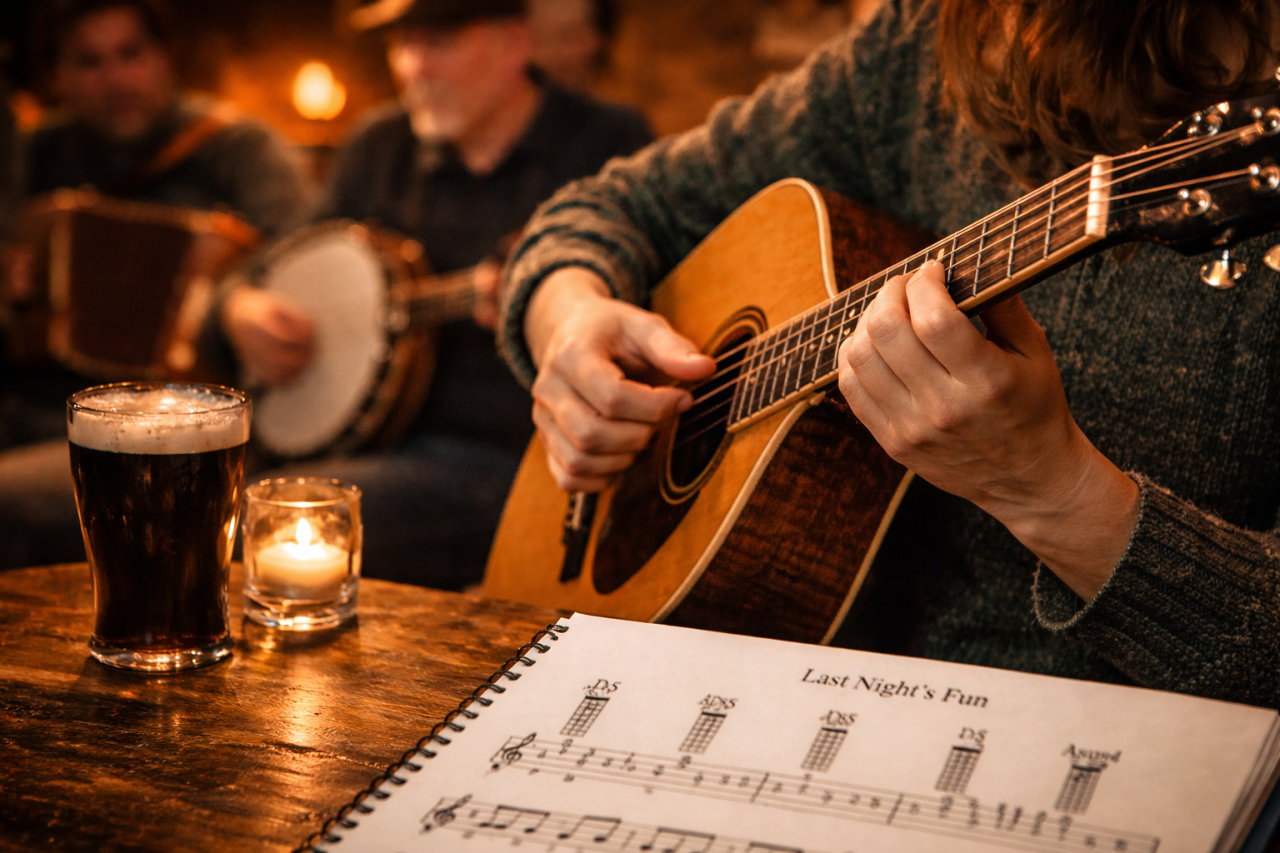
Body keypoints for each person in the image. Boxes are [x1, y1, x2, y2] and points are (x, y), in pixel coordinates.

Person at [498, 0, 1280, 708]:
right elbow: (611, 206)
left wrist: (1052, 492)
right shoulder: (923, 43)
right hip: (793, 692)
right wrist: (566, 318)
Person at [217, 0, 652, 589]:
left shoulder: (605, 141)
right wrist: (239, 308)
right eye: (403, 45)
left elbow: (654, 291)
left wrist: (547, 301)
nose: (414, 68)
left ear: (513, 43)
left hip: (510, 460)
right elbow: (272, 264)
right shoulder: (380, 145)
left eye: (439, 42)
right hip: (347, 449)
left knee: (238, 531)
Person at [0, 0, 308, 569]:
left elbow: (310, 259)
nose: (114, 79)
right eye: (88, 62)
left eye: (130, 54)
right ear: (58, 76)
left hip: (186, 425)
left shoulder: (236, 147)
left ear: (166, 56)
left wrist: (232, 288)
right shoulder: (36, 154)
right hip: (38, 403)